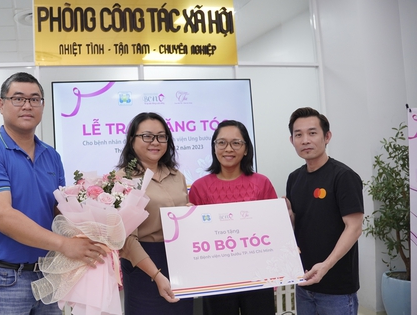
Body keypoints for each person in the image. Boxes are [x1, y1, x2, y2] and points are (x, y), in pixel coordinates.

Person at [0, 72, 106, 315]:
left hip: (49, 274)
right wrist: (64, 244)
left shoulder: (52, 156)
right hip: (2, 280)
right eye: (18, 98)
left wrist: (99, 223)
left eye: (34, 99)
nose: (27, 105)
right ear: (1, 104)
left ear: (42, 105)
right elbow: (0, 216)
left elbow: (59, 213)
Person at [188, 119, 277, 315]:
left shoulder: (261, 183)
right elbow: (195, 236)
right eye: (221, 142)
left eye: (236, 143)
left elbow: (273, 228)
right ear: (214, 147)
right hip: (216, 278)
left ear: (246, 149)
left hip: (258, 276)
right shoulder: (199, 187)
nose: (228, 148)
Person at [286, 107, 363, 314]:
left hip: (336, 287)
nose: (305, 140)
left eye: (312, 133)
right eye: (298, 134)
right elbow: (299, 224)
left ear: (327, 136)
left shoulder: (343, 176)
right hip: (304, 282)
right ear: (291, 140)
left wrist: (326, 265)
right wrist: (286, 216)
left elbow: (354, 227)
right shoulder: (294, 178)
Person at [116, 112, 194, 315]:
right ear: (132, 140)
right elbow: (126, 239)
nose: (155, 142)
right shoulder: (122, 179)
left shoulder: (177, 176)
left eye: (161, 136)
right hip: (143, 265)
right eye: (147, 136)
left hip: (180, 262)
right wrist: (156, 275)